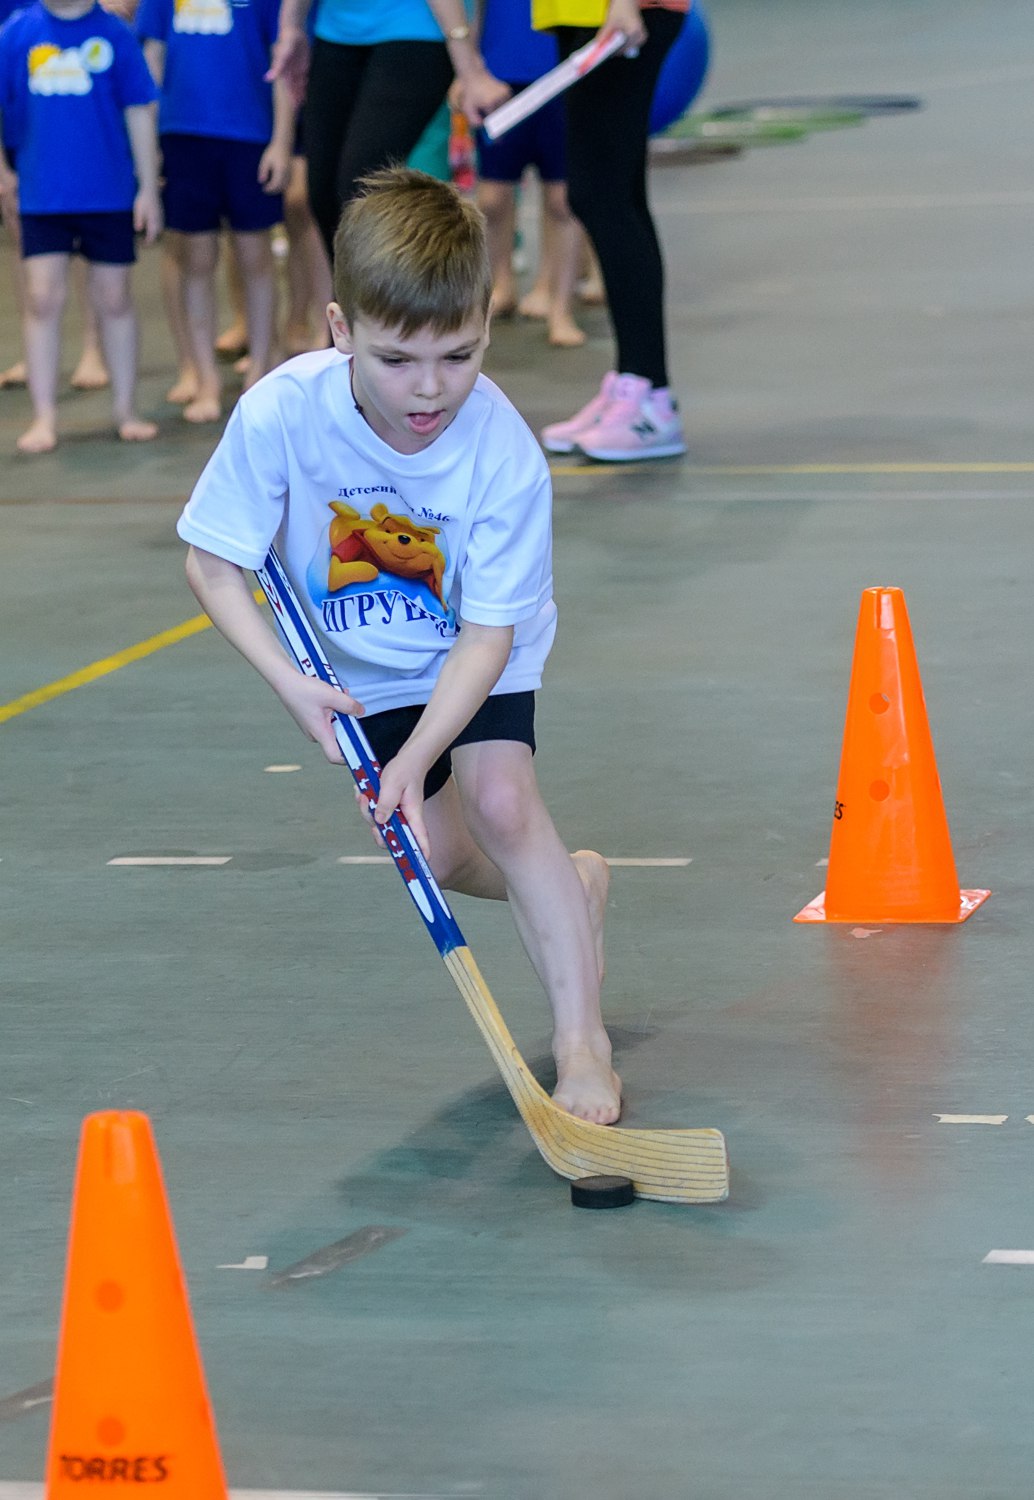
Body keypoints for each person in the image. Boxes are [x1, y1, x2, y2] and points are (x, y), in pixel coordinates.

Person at [177, 167, 620, 1125]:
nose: (429, 390)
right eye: (396, 361)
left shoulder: (502, 455)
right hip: (353, 668)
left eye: (458, 357)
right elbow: (213, 566)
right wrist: (294, 686)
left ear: (488, 327)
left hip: (473, 644)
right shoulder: (281, 415)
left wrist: (420, 755)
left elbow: (489, 634)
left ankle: (585, 1041)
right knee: (435, 846)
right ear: (338, 329)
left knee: (502, 800)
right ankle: (571, 891)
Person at [0, 0, 160, 453]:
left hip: (107, 192)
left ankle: (125, 408)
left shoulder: (114, 34)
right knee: (42, 298)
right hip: (42, 194)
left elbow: (138, 109)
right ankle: (44, 416)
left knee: (114, 299)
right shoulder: (18, 32)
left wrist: (147, 187)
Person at [538, 0, 688, 462]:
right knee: (614, 191)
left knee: (600, 193)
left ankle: (648, 393)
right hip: (578, 11)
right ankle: (638, 386)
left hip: (620, 10)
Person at [138, 0, 295, 423]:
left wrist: (281, 140)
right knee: (196, 258)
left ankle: (262, 365)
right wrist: (150, 143)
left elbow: (281, 61)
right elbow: (152, 60)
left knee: (254, 255)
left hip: (248, 135)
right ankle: (204, 375)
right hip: (183, 134)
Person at [267, 0, 511, 259]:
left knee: (358, 189)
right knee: (323, 196)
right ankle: (351, 295)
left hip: (414, 29)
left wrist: (470, 71)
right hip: (335, 29)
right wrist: (290, 26)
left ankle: (367, 297)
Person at [474, 0, 588, 348]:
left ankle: (560, 306)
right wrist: (469, 67)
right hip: (500, 72)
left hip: (562, 72)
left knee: (562, 200)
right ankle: (500, 285)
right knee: (491, 198)